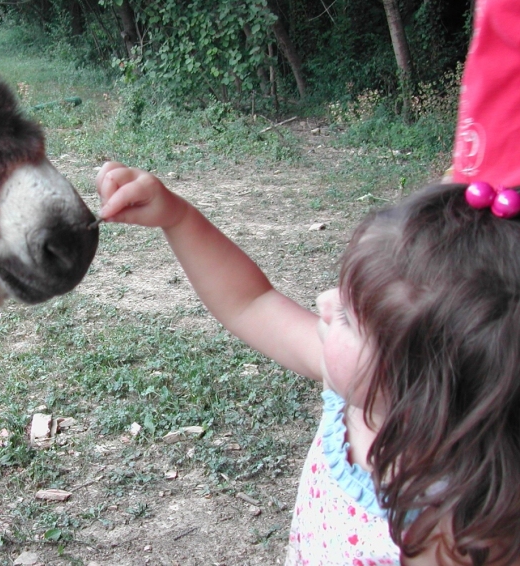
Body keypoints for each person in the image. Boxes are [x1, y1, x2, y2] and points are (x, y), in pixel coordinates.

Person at [95, 162, 520, 565]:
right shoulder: (357, 394)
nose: (325, 302)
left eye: (351, 318)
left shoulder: (462, 531)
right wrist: (178, 217)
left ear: (418, 382)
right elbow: (250, 302)